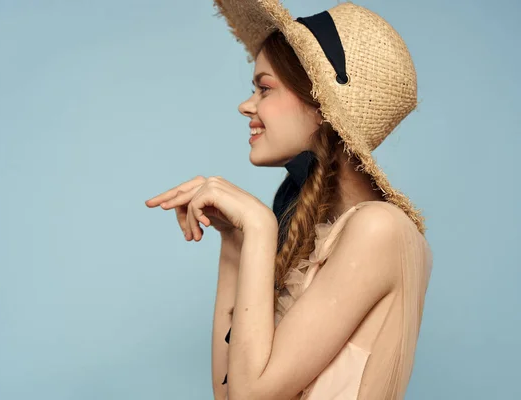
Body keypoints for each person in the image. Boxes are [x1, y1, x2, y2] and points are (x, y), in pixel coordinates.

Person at [145, 2, 433, 399]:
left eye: (264, 88)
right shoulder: (317, 237)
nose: (247, 105)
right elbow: (228, 394)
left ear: (320, 106)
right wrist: (233, 242)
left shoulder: (381, 229)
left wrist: (260, 225)